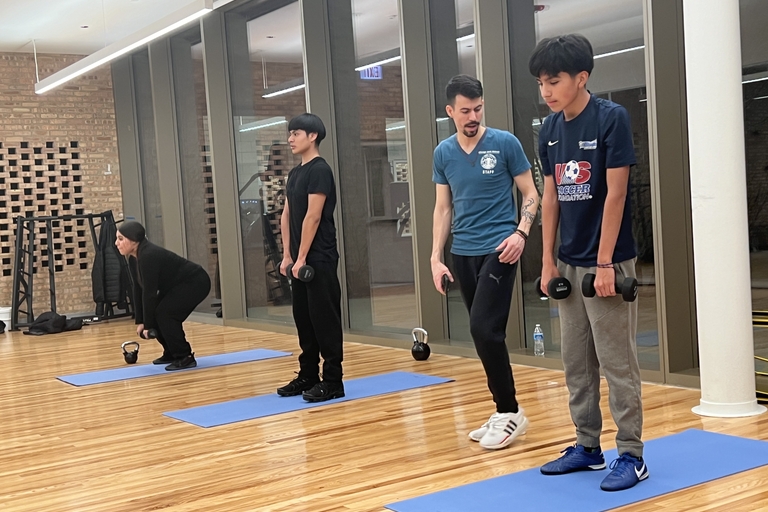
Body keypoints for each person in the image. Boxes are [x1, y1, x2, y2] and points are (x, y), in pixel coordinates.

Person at [530, 34, 648, 492]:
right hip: (568, 262)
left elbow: (616, 194)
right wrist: (547, 263)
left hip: (608, 261)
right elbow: (551, 197)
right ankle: (587, 446)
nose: (547, 91)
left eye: (554, 81)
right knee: (576, 363)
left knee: (617, 363)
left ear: (581, 78)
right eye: (541, 83)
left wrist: (604, 264)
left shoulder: (610, 118)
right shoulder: (549, 129)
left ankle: (631, 454)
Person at [431, 75, 540, 450]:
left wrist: (521, 233)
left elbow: (530, 193)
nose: (473, 116)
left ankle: (510, 411)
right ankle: (503, 409)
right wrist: (436, 258)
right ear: (451, 111)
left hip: (500, 249)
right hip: (462, 253)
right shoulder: (443, 153)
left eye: (478, 109)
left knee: (484, 329)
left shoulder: (505, 143)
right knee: (483, 333)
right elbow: (443, 208)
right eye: (465, 111)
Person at [277, 113, 344, 403]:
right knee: (303, 319)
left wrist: (302, 256)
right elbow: (287, 214)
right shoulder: (295, 174)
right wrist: (287, 255)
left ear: (313, 136)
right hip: (299, 261)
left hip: (320, 257)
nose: (290, 139)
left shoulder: (320, 170)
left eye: (296, 133)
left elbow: (313, 216)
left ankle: (333, 381)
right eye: (290, 133)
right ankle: (308, 375)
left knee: (324, 319)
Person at [115, 221, 211, 371]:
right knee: (158, 312)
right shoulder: (133, 258)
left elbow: (149, 293)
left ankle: (184, 356)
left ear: (134, 241)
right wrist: (141, 321)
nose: (116, 243)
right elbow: (138, 289)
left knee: (166, 314)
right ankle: (171, 352)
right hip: (176, 285)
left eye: (121, 239)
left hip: (195, 282)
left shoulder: (148, 255)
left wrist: (148, 325)